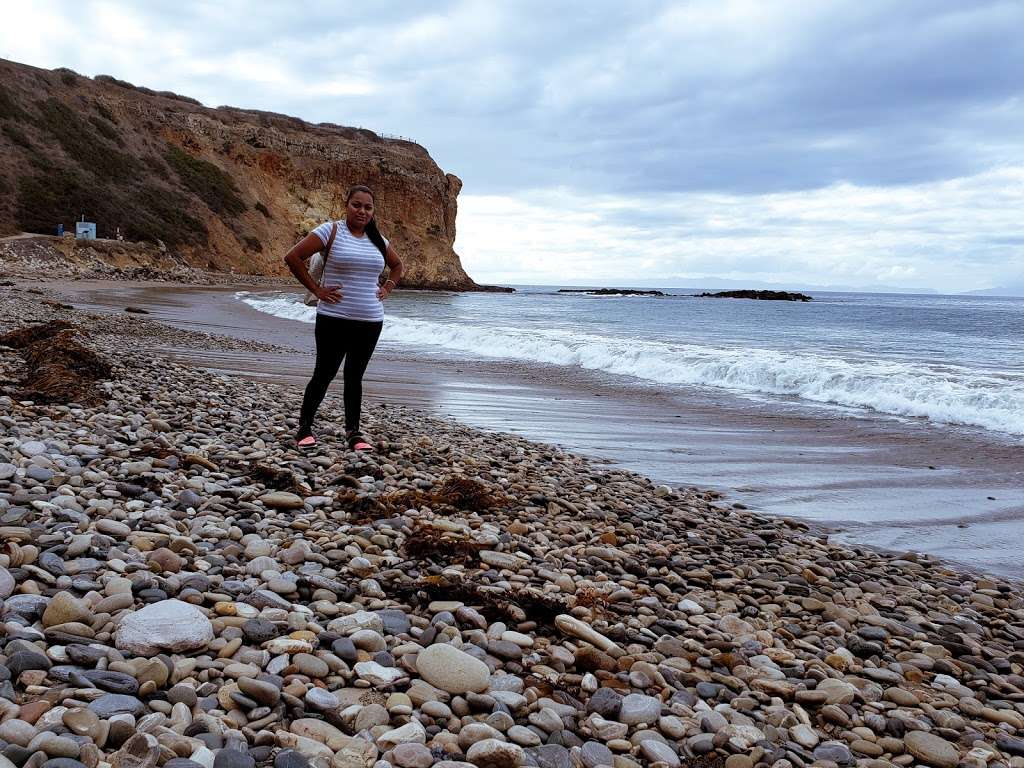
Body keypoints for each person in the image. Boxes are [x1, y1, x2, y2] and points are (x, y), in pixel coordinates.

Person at [284, 185, 403, 450]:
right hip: (333, 317)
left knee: (354, 376)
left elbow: (398, 266)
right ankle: (304, 428)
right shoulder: (330, 231)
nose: (362, 211)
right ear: (346, 205)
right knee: (323, 373)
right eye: (357, 205)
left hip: (371, 320)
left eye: (367, 207)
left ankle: (354, 433)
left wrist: (387, 288)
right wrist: (316, 290)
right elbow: (293, 257)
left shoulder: (379, 241)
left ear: (373, 211)